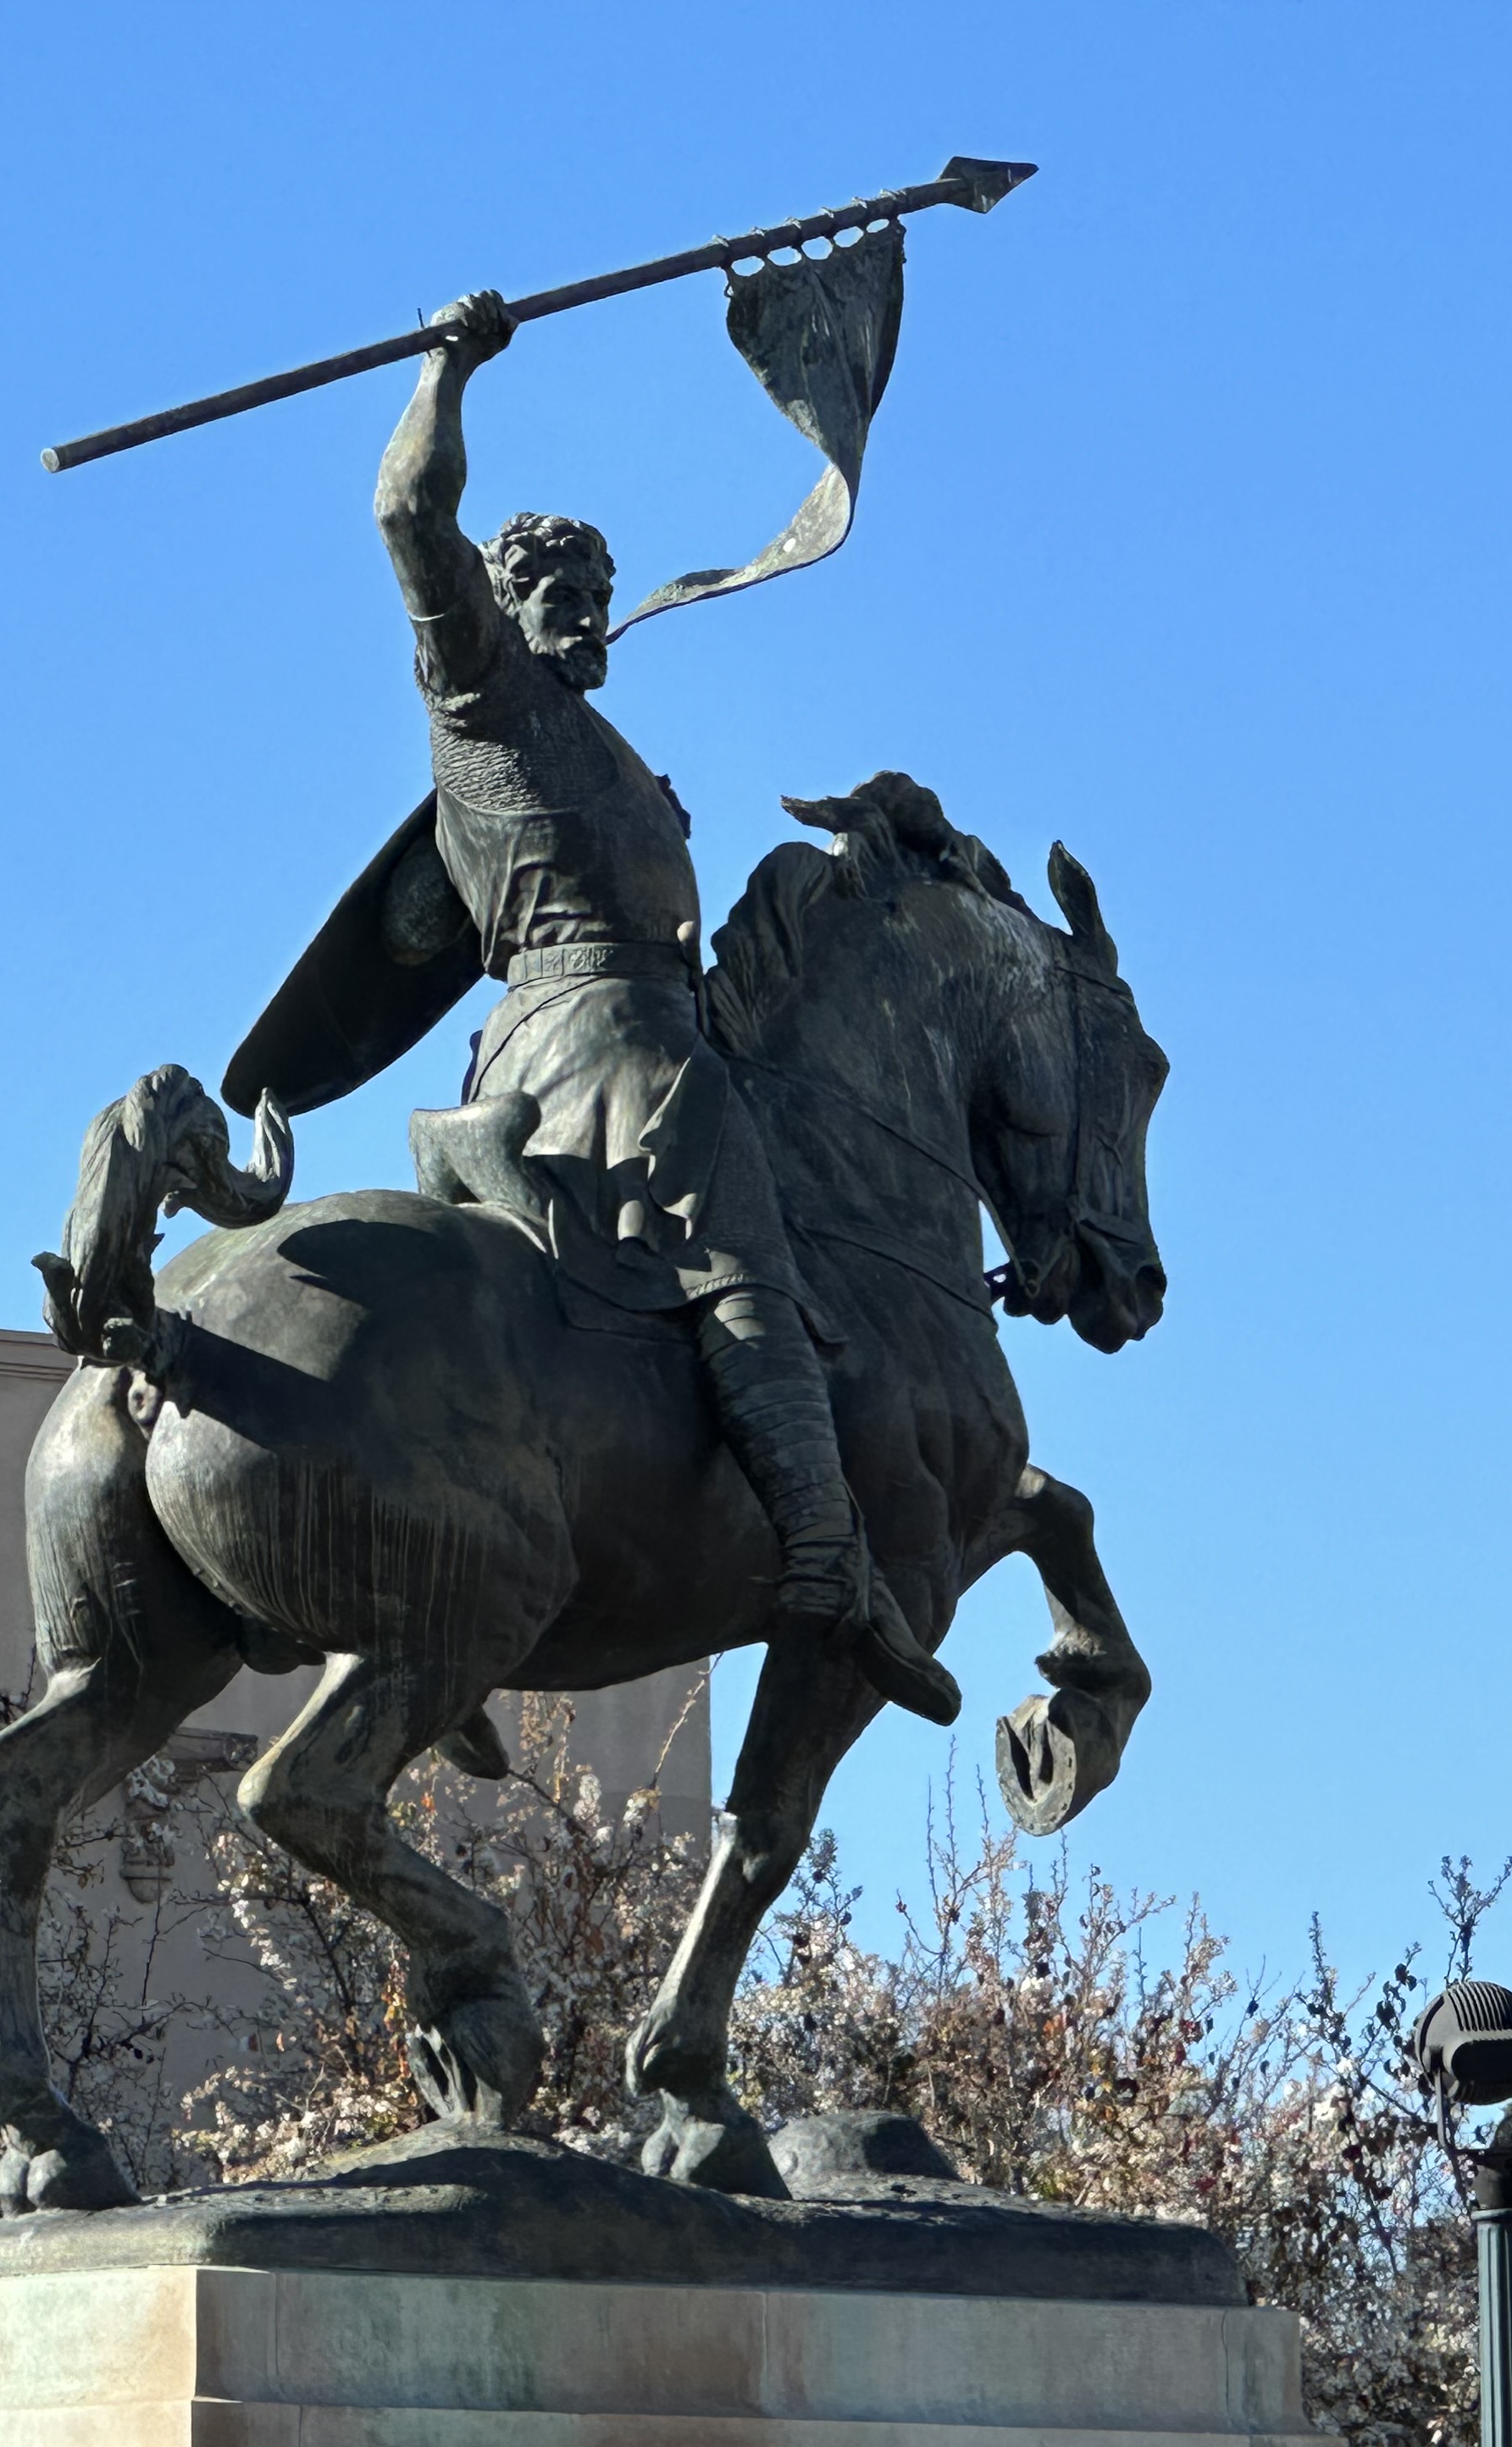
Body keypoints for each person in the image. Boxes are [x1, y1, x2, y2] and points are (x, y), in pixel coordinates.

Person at [351, 285, 954, 1721]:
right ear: (502, 607)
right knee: (745, 1251)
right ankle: (821, 1550)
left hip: (610, 1033)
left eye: (600, 596)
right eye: (560, 593)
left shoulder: (598, 739)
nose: (589, 614)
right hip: (601, 1049)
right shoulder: (483, 695)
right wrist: (449, 370)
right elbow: (406, 518)